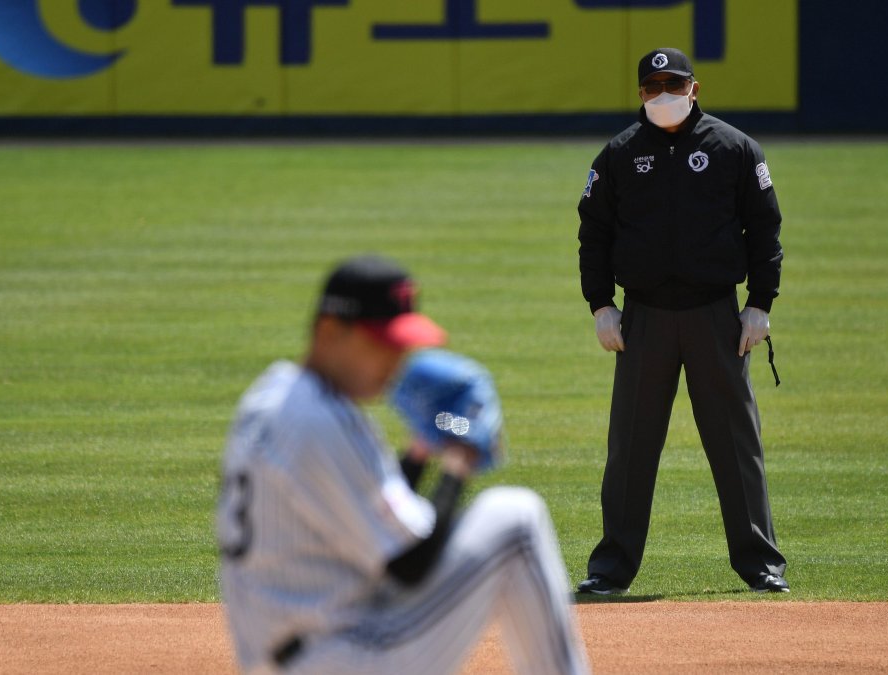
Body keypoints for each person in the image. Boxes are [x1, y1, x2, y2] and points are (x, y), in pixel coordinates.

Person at [216, 255, 589, 674]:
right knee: (517, 521)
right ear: (329, 331)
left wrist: (420, 451)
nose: (395, 362)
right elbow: (411, 565)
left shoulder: (273, 395)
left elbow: (378, 516)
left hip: (290, 654)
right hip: (343, 657)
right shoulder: (323, 420)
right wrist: (458, 462)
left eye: (400, 346)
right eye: (381, 344)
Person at [576, 48, 789, 595]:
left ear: (695, 88)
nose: (664, 95)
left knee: (735, 443)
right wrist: (601, 305)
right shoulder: (619, 154)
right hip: (644, 318)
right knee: (630, 447)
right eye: (653, 86)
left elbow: (764, 228)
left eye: (674, 84)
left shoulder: (734, 148)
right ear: (640, 93)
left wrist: (760, 303)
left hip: (715, 316)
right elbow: (593, 233)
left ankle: (760, 564)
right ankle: (611, 569)